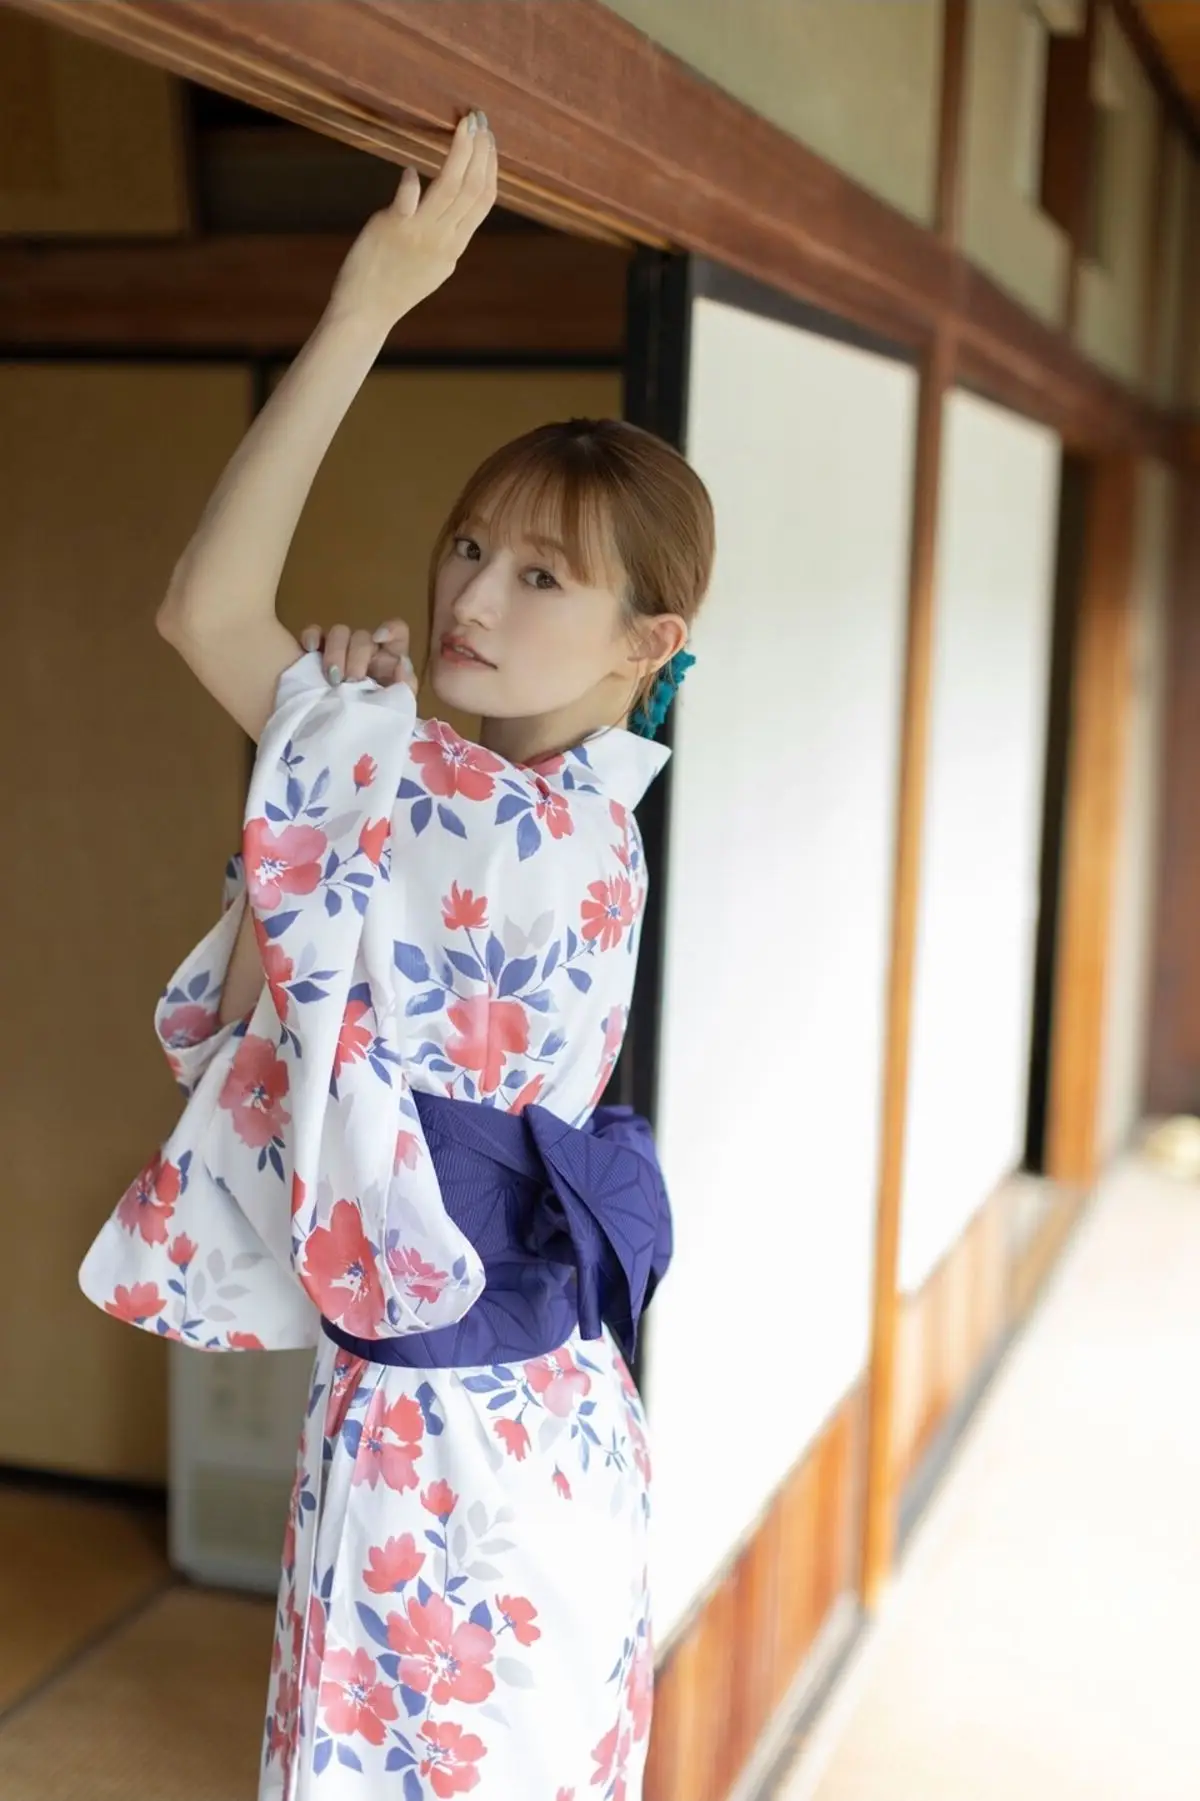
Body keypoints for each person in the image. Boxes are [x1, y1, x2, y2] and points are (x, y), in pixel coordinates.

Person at [80, 111, 714, 1801]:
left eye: (542, 575)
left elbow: (206, 614)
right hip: (549, 1424)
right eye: (470, 546)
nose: (474, 599)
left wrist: (372, 300)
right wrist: (346, 762)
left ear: (649, 640)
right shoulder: (594, 816)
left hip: (449, 1447)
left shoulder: (464, 809)